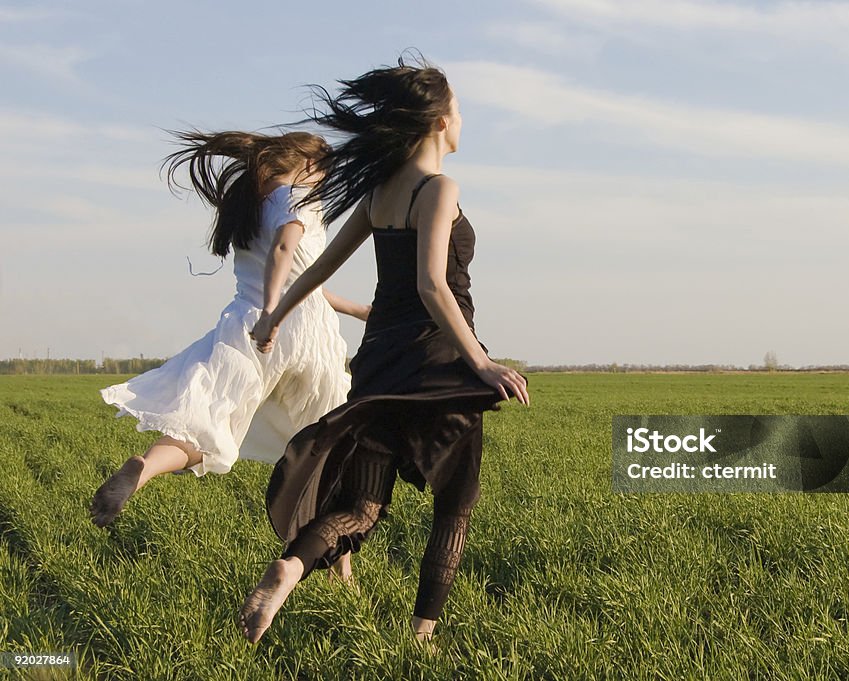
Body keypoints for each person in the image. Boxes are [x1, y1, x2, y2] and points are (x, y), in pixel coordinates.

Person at [239, 58, 529, 645]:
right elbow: (432, 285)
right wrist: (480, 362)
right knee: (455, 500)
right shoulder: (439, 188)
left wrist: (275, 314)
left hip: (377, 362)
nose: (463, 120)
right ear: (440, 121)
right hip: (437, 361)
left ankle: (291, 567)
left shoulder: (379, 192)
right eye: (461, 110)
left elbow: (319, 266)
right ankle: (421, 636)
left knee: (365, 505)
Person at [91, 131, 369, 588]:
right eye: (322, 168)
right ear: (303, 165)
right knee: (335, 448)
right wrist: (275, 312)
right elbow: (286, 248)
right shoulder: (297, 197)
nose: (324, 178)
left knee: (204, 425)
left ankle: (143, 470)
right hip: (296, 333)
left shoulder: (248, 206)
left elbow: (303, 275)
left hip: (243, 327)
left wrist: (356, 310)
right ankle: (342, 570)